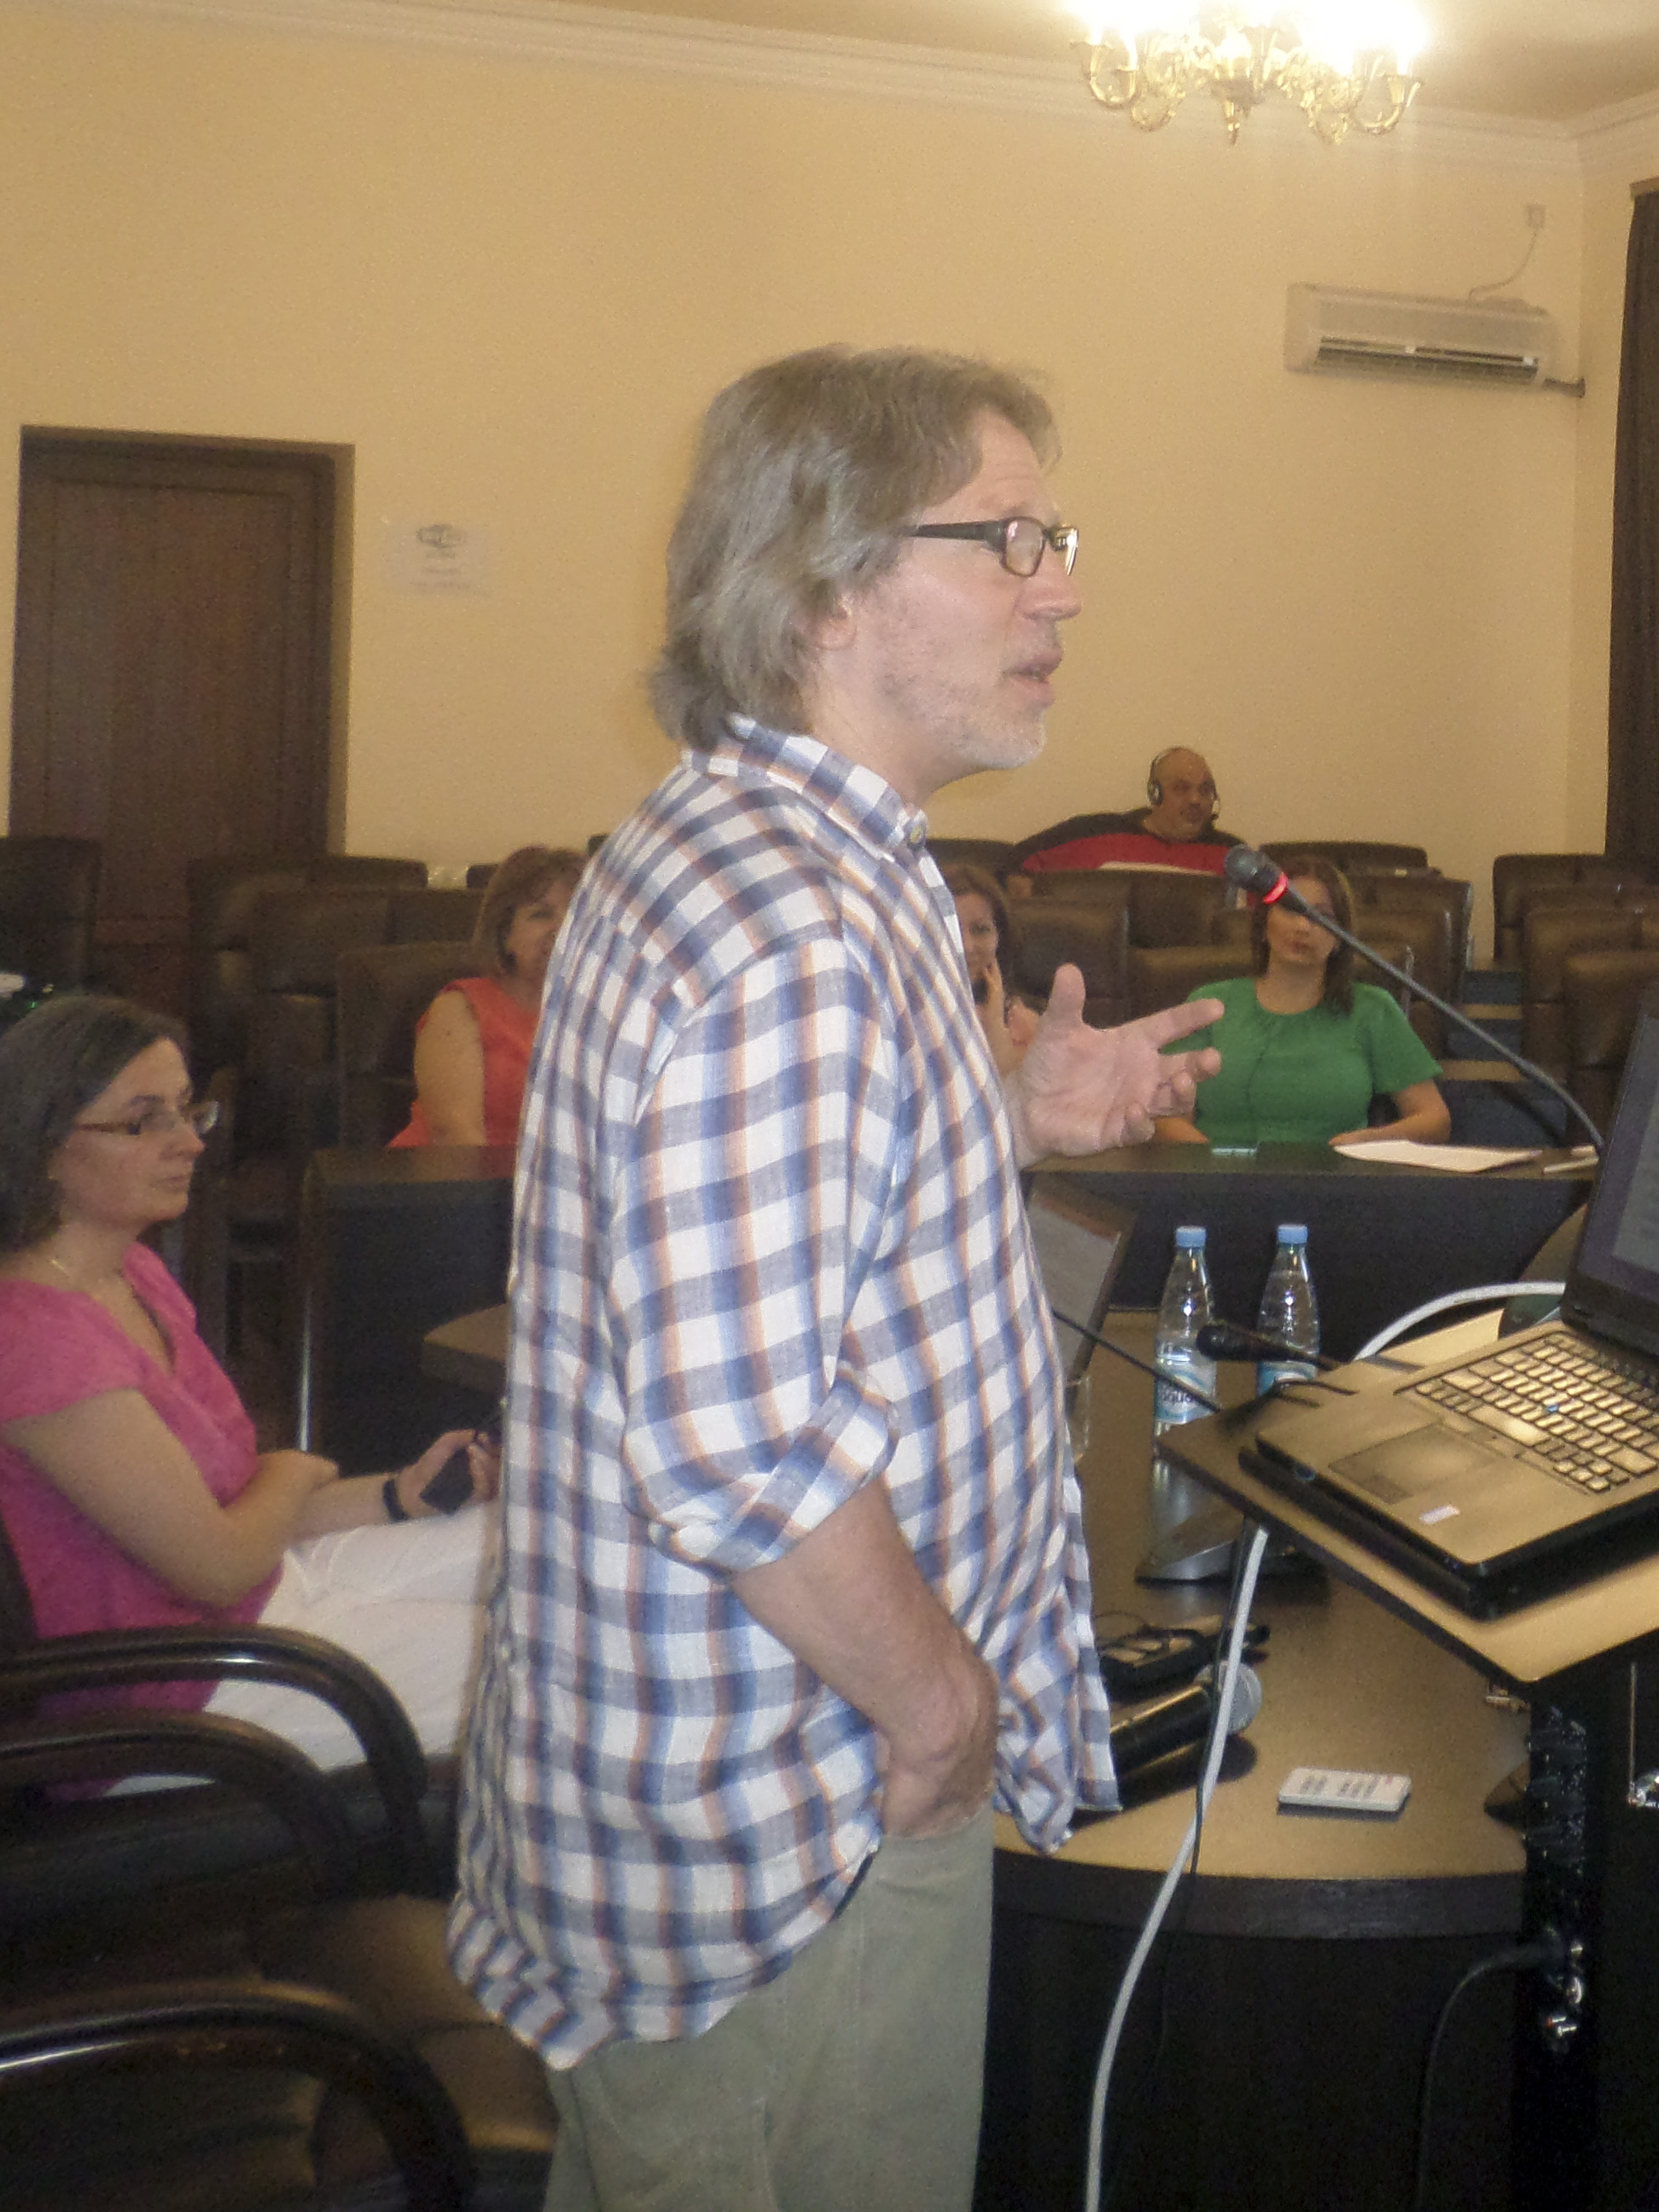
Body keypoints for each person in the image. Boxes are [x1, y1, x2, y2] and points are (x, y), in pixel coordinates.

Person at [450, 346, 1221, 2211]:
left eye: (1057, 538)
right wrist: (944, 1713)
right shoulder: (801, 925)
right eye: (1007, 539)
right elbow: (737, 1444)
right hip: (798, 1827)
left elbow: (777, 1228)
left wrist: (1005, 1118)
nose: (1062, 588)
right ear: (824, 594)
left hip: (753, 1786)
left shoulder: (751, 846)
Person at [0, 995, 496, 1767]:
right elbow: (220, 1563)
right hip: (181, 1688)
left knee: (551, 1551)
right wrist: (292, 1467)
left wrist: (399, 1494)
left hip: (265, 1596)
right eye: (144, 1122)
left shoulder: (128, 1272)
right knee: (553, 1659)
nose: (189, 1143)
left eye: (186, 1111)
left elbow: (239, 1510)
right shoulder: (29, 1341)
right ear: (42, 1145)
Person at [1154, 857, 1448, 1148]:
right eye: (1290, 909)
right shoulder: (1209, 1005)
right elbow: (1167, 1118)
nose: (1303, 926)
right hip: (1219, 1173)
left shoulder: (1372, 1008)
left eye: (1322, 916)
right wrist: (1215, 1161)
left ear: (1341, 938)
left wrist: (1368, 1141)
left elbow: (1434, 1119)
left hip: (1334, 1172)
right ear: (1263, 923)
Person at [392, 844, 581, 1146]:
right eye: (541, 915)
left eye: (577, 915)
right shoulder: (460, 1009)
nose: (562, 930)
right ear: (504, 933)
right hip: (456, 1172)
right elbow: (454, 1137)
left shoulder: (601, 1017)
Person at [1004, 744, 1241, 874]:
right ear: (1155, 794)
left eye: (1205, 790)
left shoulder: (1231, 855)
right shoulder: (1094, 834)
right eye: (1181, 788)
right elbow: (1014, 860)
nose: (1196, 800)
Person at [938, 856, 1040, 1076]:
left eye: (980, 930)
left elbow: (1000, 1090)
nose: (966, 947)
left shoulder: (1021, 1022)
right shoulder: (900, 1010)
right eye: (951, 930)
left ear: (1000, 937)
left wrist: (994, 1020)